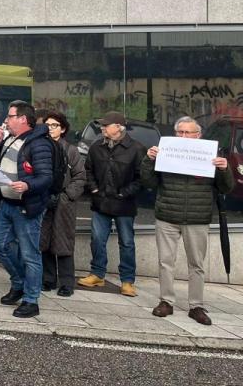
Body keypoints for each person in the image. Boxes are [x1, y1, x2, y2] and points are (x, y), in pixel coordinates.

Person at [143, 116, 232, 326]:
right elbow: (148, 182)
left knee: (197, 265)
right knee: (166, 262)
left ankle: (196, 306)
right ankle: (166, 301)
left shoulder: (210, 155)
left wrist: (224, 169)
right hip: (167, 215)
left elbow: (226, 187)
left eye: (188, 132)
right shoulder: (165, 152)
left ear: (198, 135)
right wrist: (148, 160)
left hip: (197, 218)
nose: (183, 136)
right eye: (180, 132)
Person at [0, 100, 53, 318]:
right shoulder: (10, 138)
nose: (6, 120)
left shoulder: (39, 144)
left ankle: (31, 300)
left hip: (27, 206)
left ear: (23, 119)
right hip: (7, 203)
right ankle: (19, 283)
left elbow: (46, 178)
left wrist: (27, 185)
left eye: (10, 116)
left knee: (30, 254)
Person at [77, 111, 146, 298]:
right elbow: (88, 169)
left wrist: (124, 192)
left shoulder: (136, 149)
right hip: (101, 202)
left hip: (124, 204)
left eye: (106, 125)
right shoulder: (96, 146)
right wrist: (93, 189)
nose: (102, 128)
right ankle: (97, 274)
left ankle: (127, 281)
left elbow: (142, 179)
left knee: (127, 243)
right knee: (98, 239)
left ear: (118, 127)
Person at [38, 111, 85, 297]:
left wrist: (66, 196)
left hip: (64, 202)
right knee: (45, 240)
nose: (50, 128)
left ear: (62, 129)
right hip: (44, 200)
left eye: (54, 125)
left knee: (63, 241)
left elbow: (80, 177)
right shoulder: (42, 147)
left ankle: (67, 282)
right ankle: (48, 278)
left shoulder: (70, 150)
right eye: (47, 125)